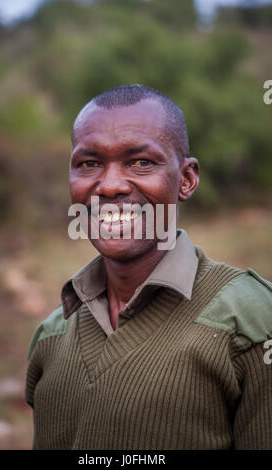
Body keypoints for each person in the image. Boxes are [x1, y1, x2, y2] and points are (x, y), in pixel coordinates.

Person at [25, 84, 272, 450]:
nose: (109, 186)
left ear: (187, 179)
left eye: (141, 162)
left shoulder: (252, 322)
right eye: (88, 164)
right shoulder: (52, 335)